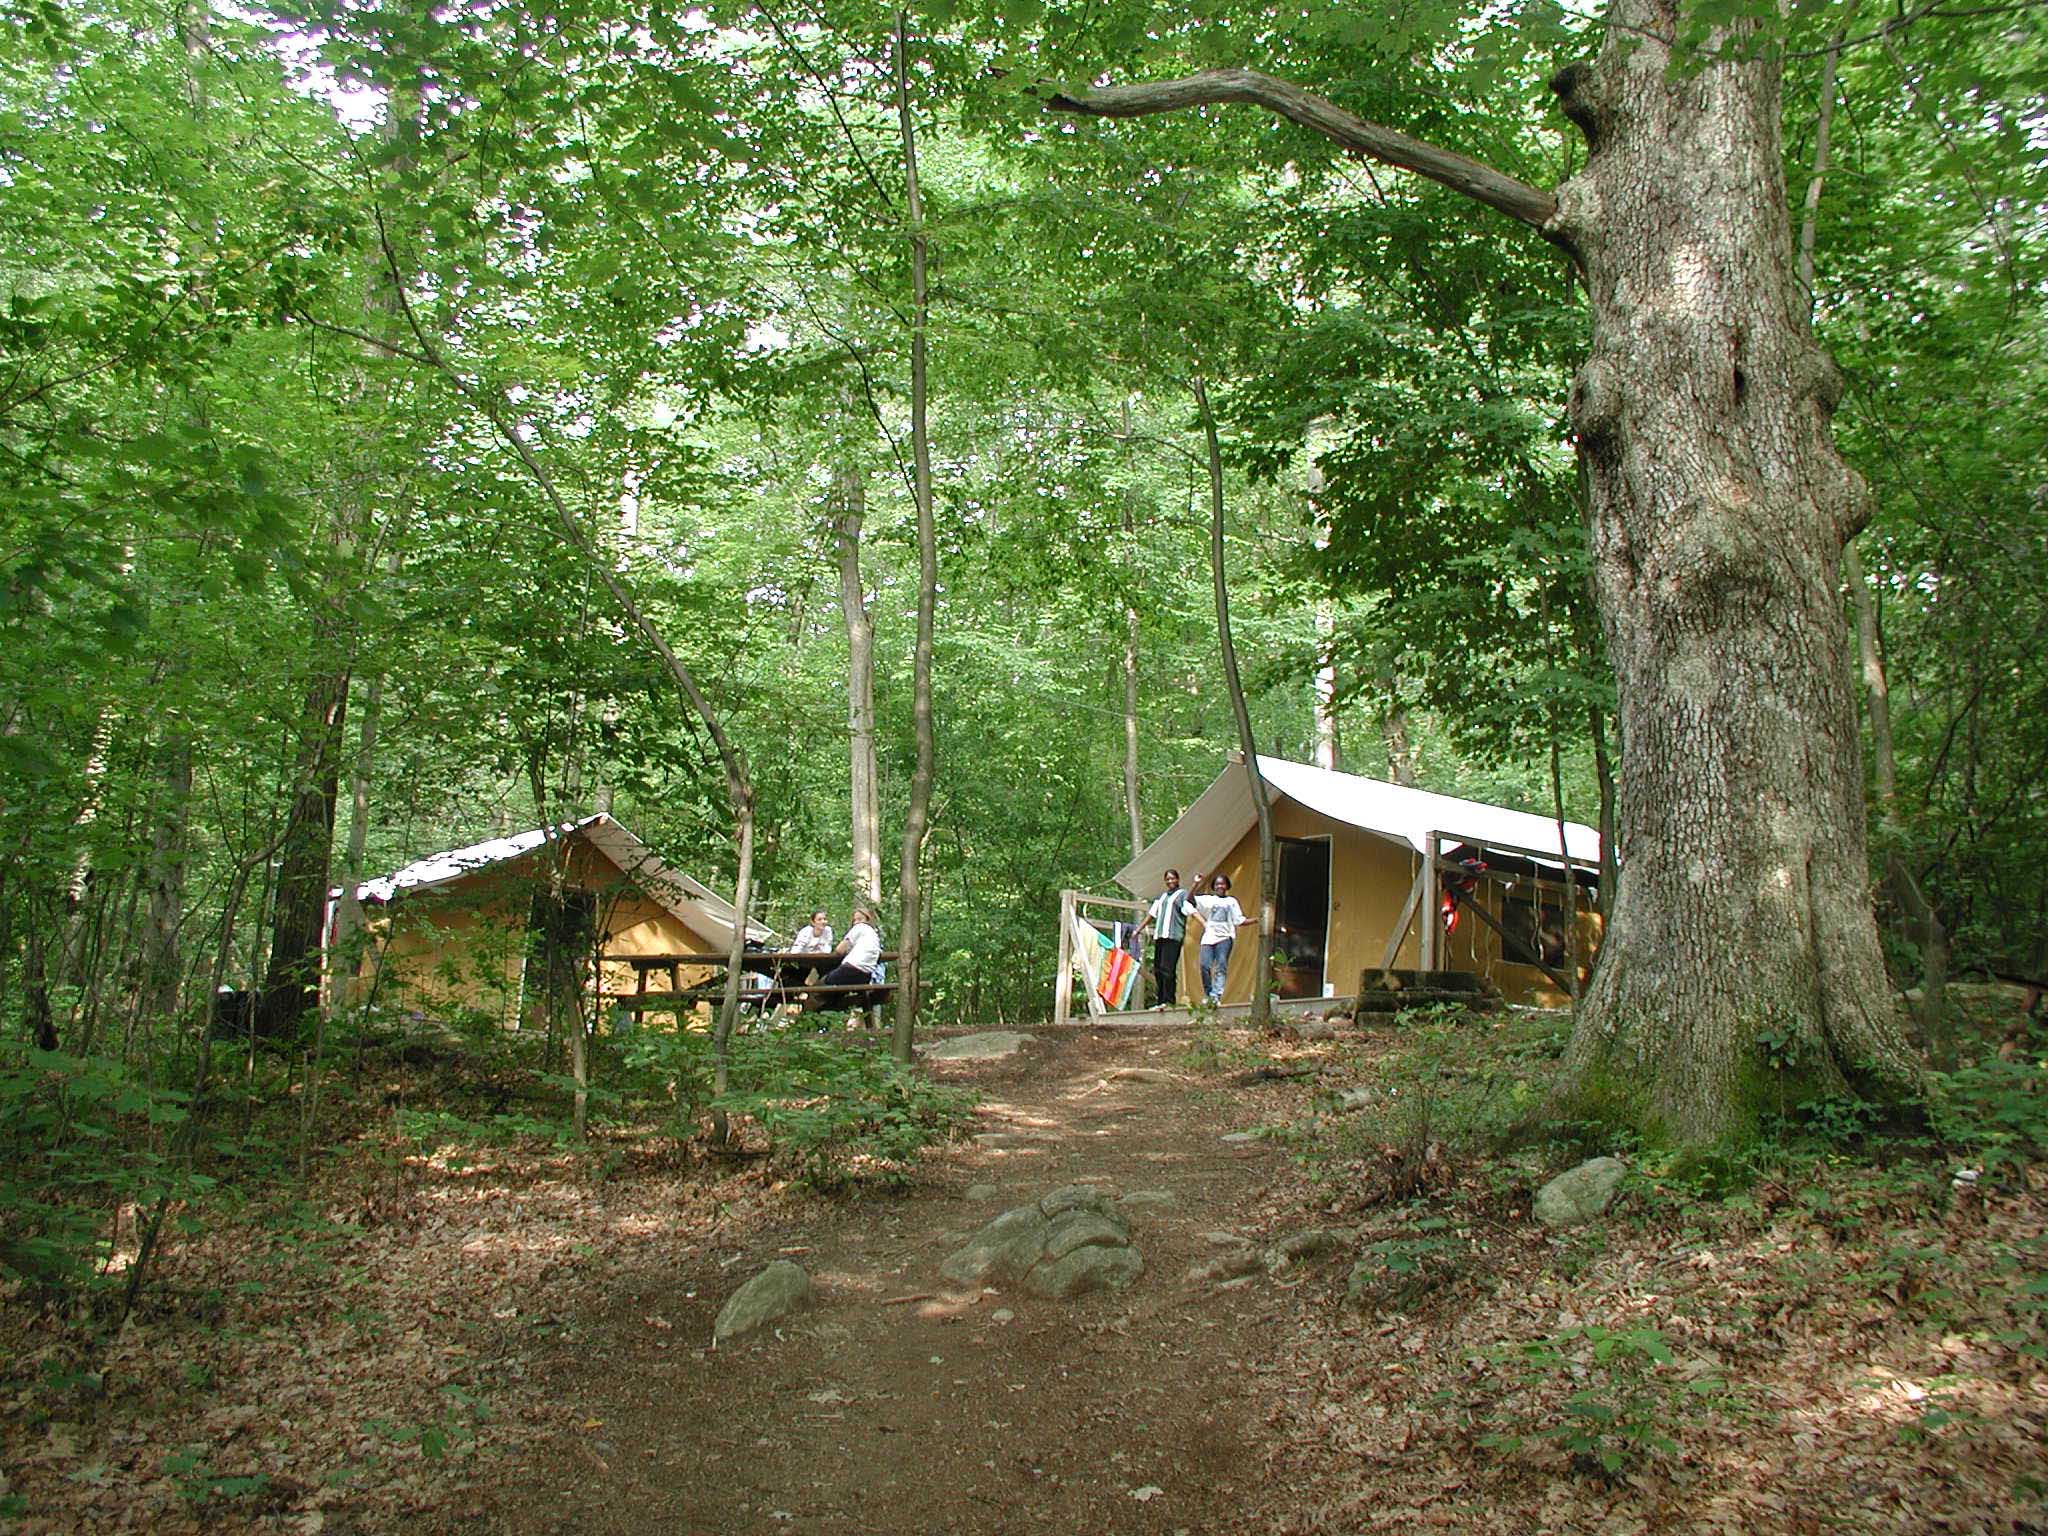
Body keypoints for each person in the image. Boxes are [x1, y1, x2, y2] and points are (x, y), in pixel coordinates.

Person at [1188, 872, 1252, 1004]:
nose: (1220, 886)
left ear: (1227, 886)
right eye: (1217, 884)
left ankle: (1217, 995)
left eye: (1222, 883)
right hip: (1209, 937)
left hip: (1225, 938)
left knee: (1221, 966)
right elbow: (1190, 900)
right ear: (1214, 886)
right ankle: (1209, 993)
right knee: (1204, 965)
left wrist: (1257, 920)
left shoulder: (1231, 901)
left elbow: (1240, 921)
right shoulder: (1208, 899)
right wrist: (1196, 884)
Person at [1135, 869, 1191, 1007]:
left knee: (1168, 969)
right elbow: (1151, 915)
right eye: (1167, 879)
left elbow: (1188, 909)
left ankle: (1169, 1000)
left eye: (1172, 878)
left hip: (1173, 936)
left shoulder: (1182, 894)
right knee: (1158, 969)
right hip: (1160, 936)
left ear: (1177, 879)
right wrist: (1138, 929)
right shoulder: (1161, 897)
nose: (1170, 881)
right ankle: (1160, 1001)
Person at [815, 906, 883, 1000]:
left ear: (867, 920)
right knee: (838, 991)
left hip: (851, 969)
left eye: (860, 919)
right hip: (866, 975)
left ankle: (810, 1008)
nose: (856, 922)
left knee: (819, 985)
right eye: (854, 920)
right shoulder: (874, 934)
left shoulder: (859, 927)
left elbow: (839, 950)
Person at [781, 908, 835, 988]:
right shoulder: (806, 931)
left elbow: (827, 949)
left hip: (820, 962)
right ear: (813, 922)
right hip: (803, 961)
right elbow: (796, 950)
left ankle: (817, 989)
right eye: (819, 919)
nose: (823, 922)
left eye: (824, 919)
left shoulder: (828, 931)